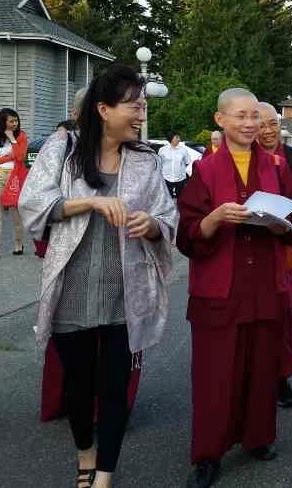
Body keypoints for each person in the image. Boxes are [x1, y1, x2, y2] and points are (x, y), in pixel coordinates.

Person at [18, 63, 177, 488]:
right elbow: (33, 204)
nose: (141, 114)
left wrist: (153, 225)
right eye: (134, 106)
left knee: (114, 389)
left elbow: (167, 215)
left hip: (126, 292)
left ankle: (104, 473)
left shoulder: (145, 160)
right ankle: (85, 454)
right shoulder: (64, 149)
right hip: (72, 288)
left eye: (143, 105)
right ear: (104, 109)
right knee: (78, 385)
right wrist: (89, 203)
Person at [177, 88, 292, 488]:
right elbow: (187, 233)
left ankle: (258, 437)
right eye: (241, 116)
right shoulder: (204, 169)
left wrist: (281, 226)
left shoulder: (276, 167)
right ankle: (208, 454)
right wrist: (216, 218)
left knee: (261, 367)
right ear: (221, 120)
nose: (250, 124)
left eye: (255, 116)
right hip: (219, 287)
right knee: (215, 374)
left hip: (265, 283)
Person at [256, 101, 292, 408]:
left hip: (287, 246)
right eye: (261, 125)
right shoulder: (244, 157)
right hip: (253, 245)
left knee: (286, 314)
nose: (268, 131)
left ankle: (281, 376)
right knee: (255, 313)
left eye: (273, 124)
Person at [0, 108, 28, 255]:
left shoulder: (21, 136)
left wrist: (12, 138)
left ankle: (18, 244)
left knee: (16, 213)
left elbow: (20, 157)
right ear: (3, 122)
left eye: (16, 120)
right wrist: (8, 157)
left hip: (14, 176)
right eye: (11, 121)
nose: (15, 123)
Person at [159, 131, 190, 198]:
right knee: (167, 199)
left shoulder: (183, 150)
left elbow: (187, 162)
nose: (179, 139)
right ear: (171, 139)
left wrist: (180, 169)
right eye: (177, 137)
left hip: (180, 179)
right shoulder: (162, 150)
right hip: (166, 178)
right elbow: (160, 163)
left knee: (181, 198)